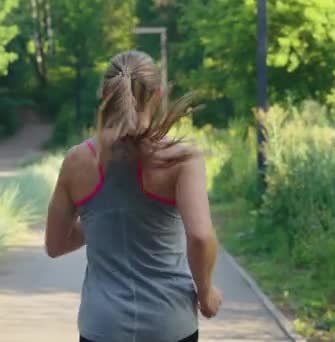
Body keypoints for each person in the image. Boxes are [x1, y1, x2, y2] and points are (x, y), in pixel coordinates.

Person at [45, 50, 222, 342]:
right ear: (157, 94)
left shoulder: (76, 161)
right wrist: (206, 294)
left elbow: (55, 244)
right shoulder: (181, 158)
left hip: (102, 326)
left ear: (104, 95)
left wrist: (102, 216)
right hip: (169, 324)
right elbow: (201, 236)